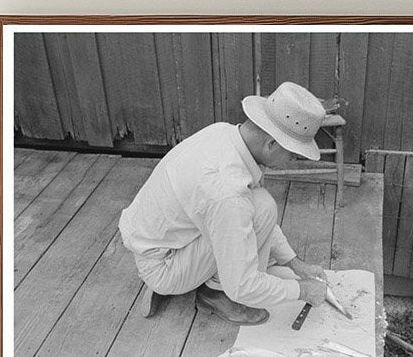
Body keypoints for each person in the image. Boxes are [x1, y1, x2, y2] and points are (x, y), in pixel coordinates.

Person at [118, 81, 335, 325]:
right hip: (164, 265)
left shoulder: (224, 132)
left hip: (161, 242)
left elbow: (245, 211)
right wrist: (302, 290)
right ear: (271, 144)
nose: (292, 161)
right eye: (293, 154)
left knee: (260, 205)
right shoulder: (226, 190)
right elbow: (243, 285)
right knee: (258, 213)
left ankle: (206, 278)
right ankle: (216, 293)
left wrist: (296, 264)